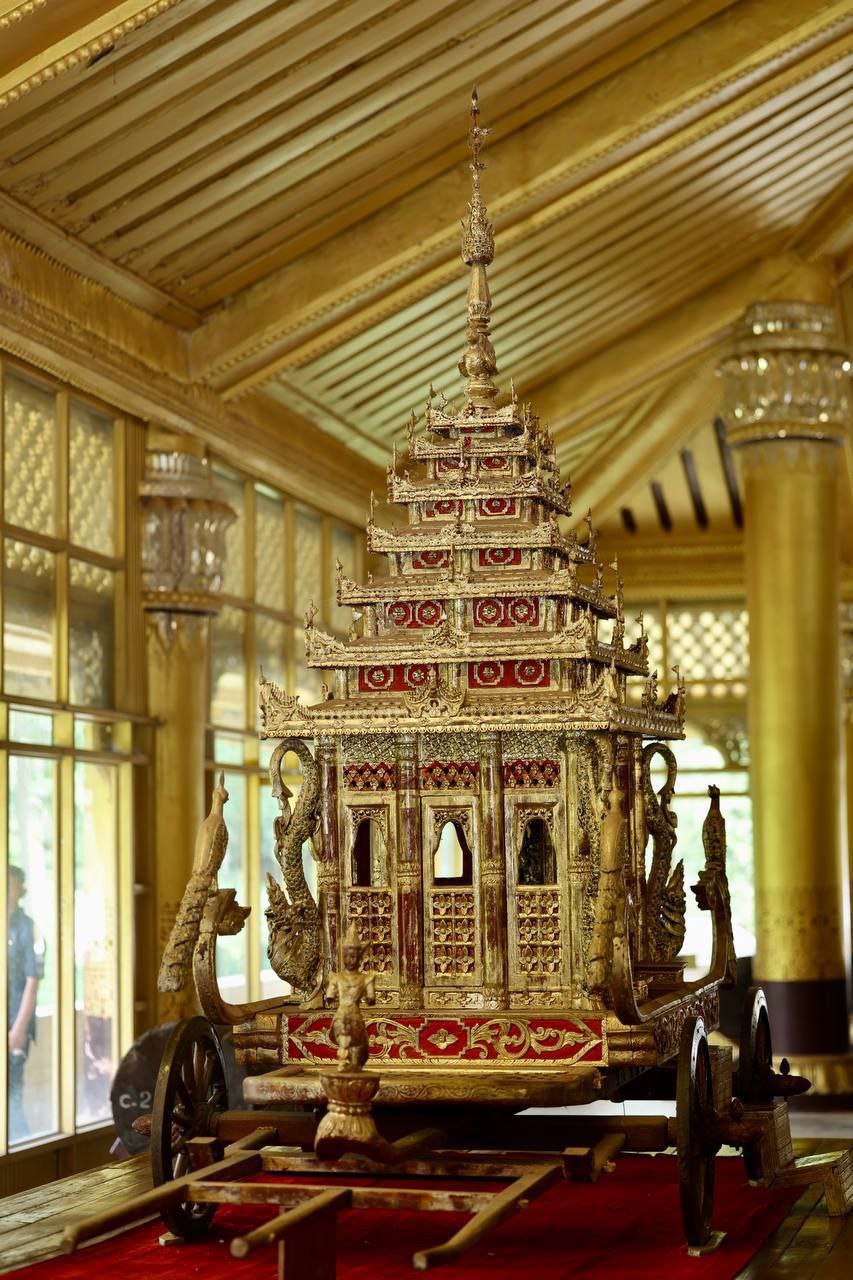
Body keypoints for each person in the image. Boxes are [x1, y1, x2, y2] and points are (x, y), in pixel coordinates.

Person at [7, 865, 42, 1143]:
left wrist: (18, 1030)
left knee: (12, 1098)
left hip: (15, 1024)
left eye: (12, 884)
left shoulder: (27, 927)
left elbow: (32, 981)